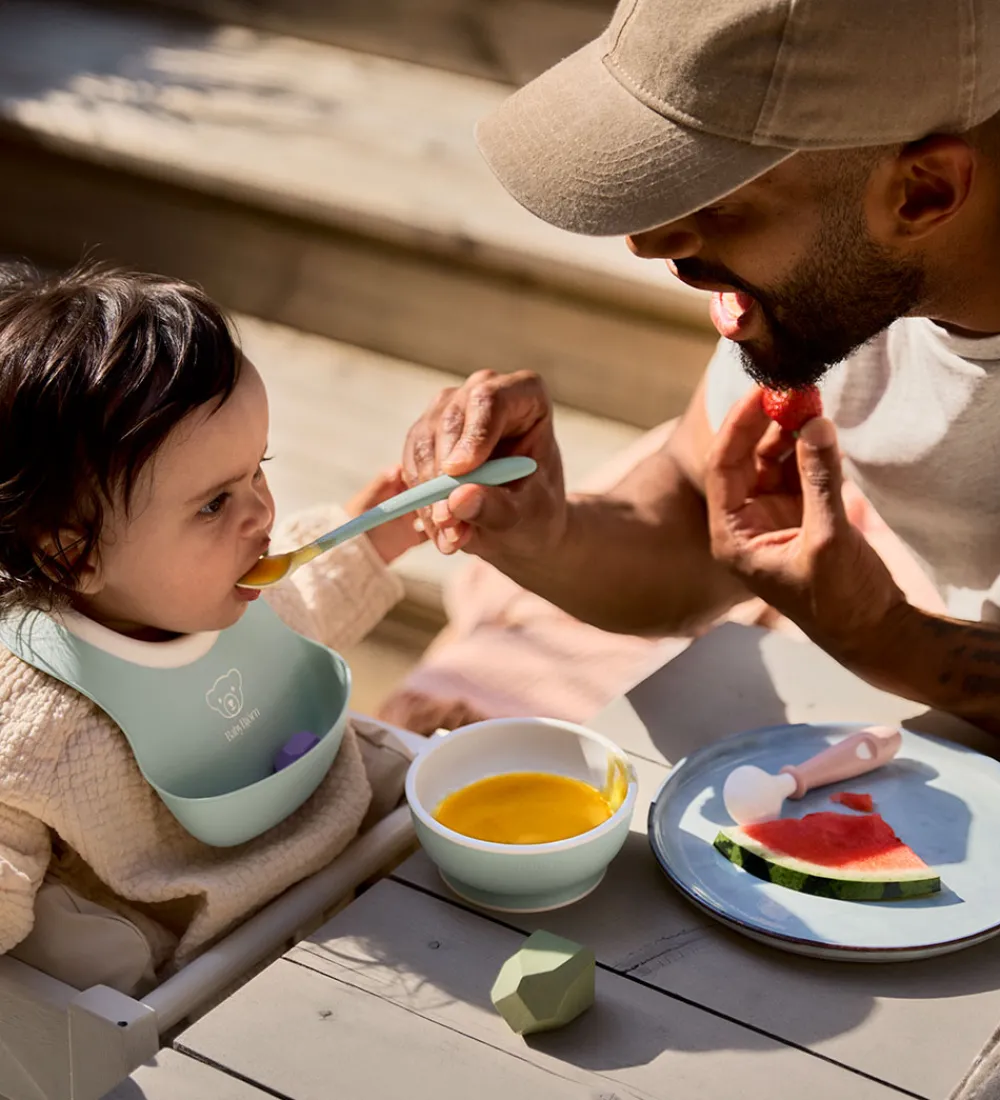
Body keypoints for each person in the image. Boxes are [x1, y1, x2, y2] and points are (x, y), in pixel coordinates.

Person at [397, 0, 1000, 737]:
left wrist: (883, 635)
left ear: (925, 191)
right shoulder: (845, 284)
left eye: (717, 196)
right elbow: (690, 506)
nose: (646, 243)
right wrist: (545, 531)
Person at [0, 263, 423, 995]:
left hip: (350, 850)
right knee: (77, 945)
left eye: (258, 469)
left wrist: (383, 527)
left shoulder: (225, 592)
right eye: (213, 504)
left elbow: (310, 595)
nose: (261, 513)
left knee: (409, 768)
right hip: (208, 967)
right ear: (75, 554)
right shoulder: (35, 719)